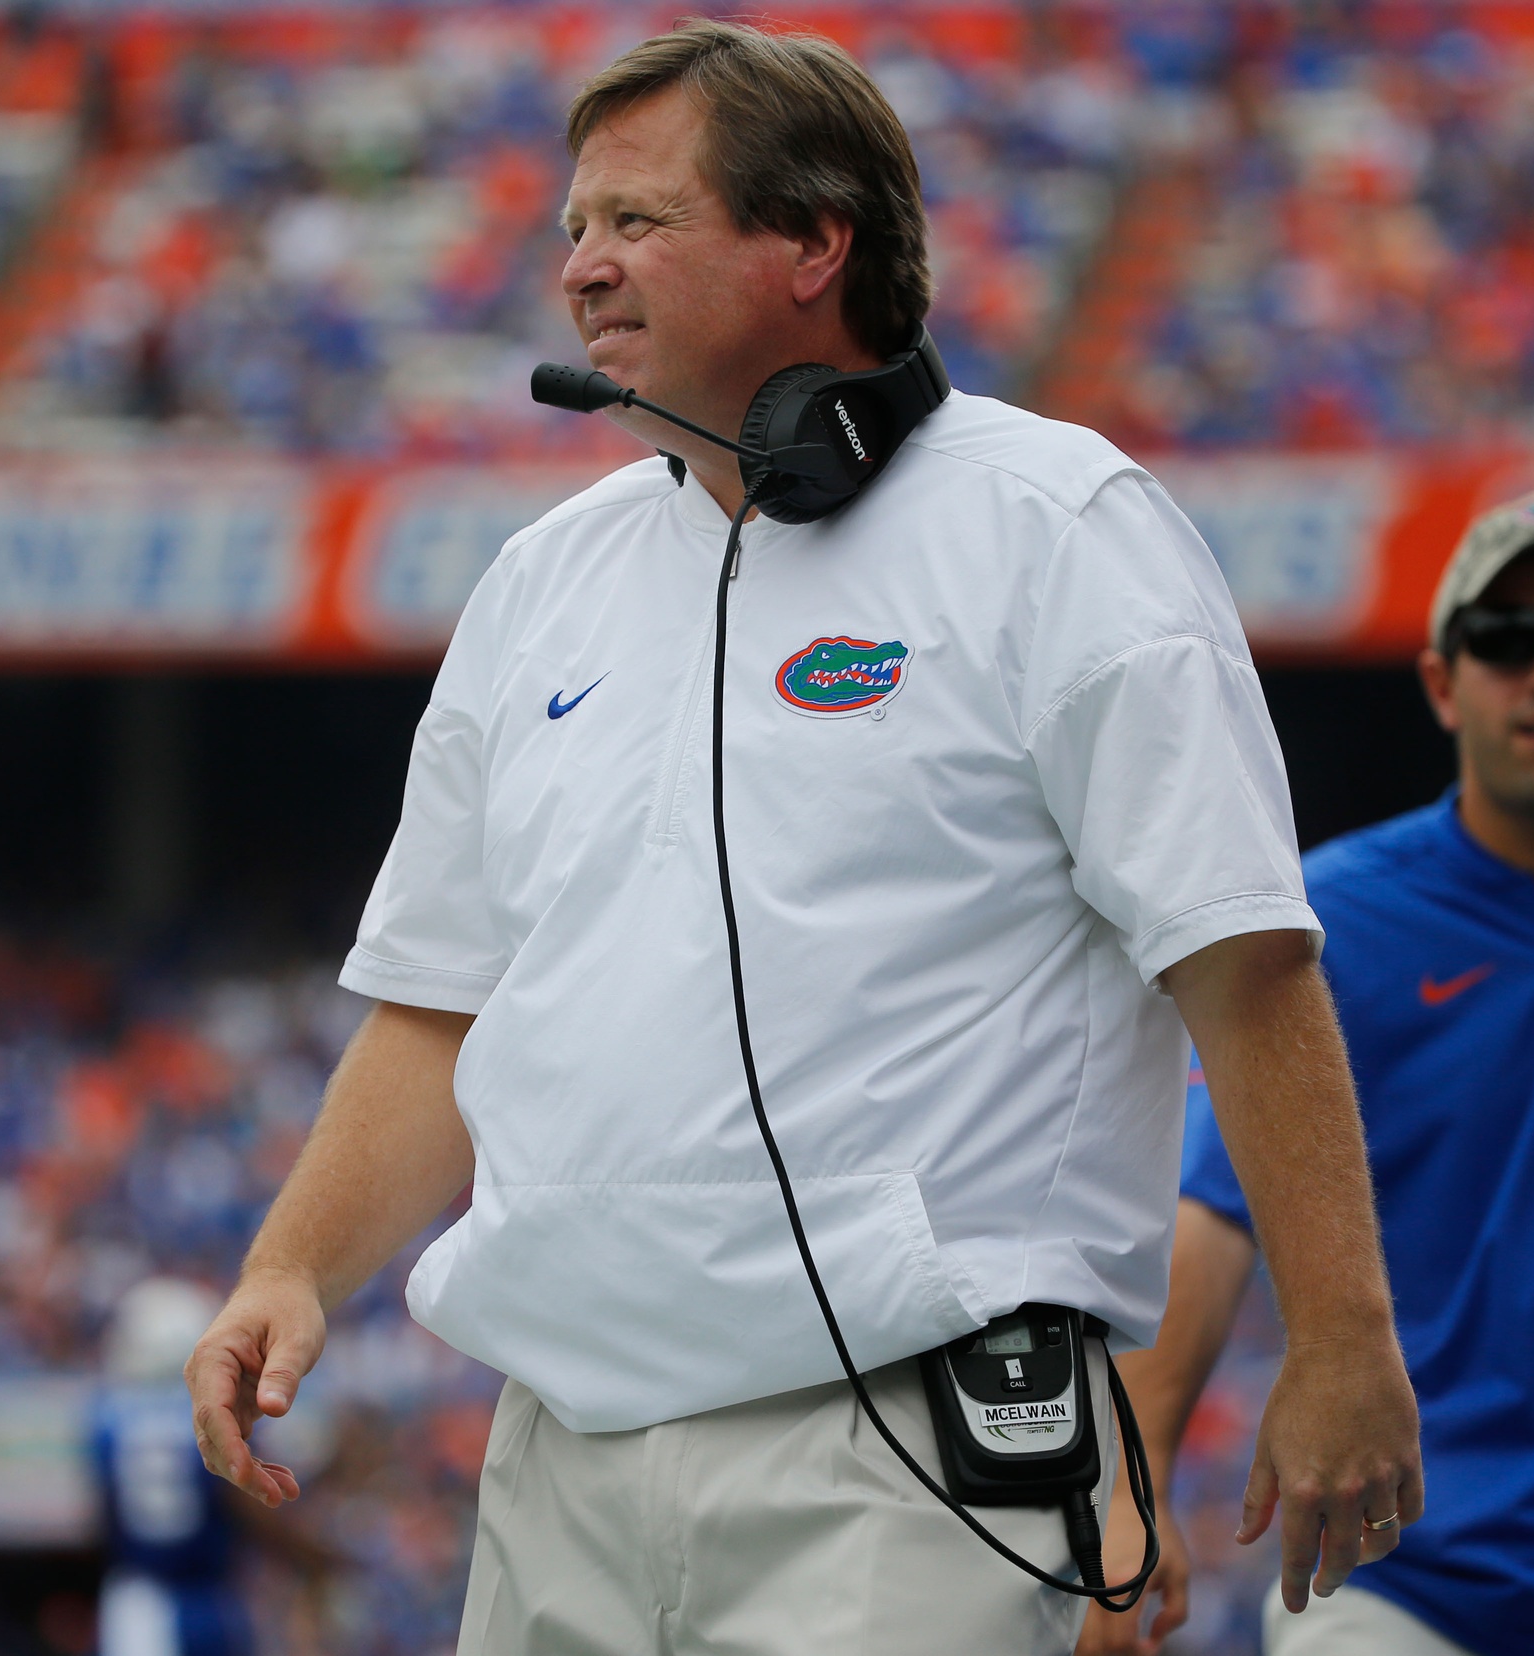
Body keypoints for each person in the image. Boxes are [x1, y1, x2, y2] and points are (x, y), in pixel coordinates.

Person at [188, 21, 1420, 1654]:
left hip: (909, 1455)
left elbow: (1243, 964)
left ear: (812, 242)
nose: (581, 267)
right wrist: (294, 1263)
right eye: (570, 227)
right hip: (561, 1449)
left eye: (636, 220)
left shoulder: (1056, 528)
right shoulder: (538, 583)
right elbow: (440, 1004)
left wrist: (1338, 1336)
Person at [1078, 492, 1534, 1656]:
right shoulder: (1328, 922)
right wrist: (1127, 1491)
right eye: (1504, 638)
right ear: (1442, 681)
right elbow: (1209, 1215)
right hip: (1403, 1574)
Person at [95, 1278, 252, 1656]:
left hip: (136, 1606)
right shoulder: (212, 1414)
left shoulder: (105, 1417)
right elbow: (245, 1498)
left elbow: (103, 1516)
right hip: (206, 1599)